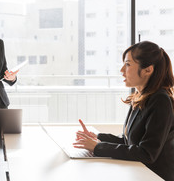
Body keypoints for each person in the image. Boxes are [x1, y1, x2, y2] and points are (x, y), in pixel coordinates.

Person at [73, 41, 174, 181]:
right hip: (138, 172)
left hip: (153, 177)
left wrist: (98, 147)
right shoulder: (140, 97)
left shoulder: (160, 101)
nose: (122, 70)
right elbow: (128, 141)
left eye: (127, 64)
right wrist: (97, 137)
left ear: (148, 70)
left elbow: (146, 153)